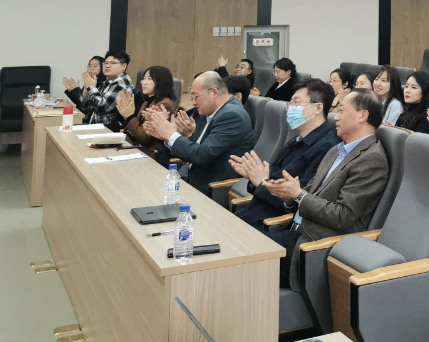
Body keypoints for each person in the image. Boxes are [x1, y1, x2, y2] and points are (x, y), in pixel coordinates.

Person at [259, 88, 388, 291]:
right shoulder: (336, 149)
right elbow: (308, 192)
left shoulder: (371, 159)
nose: (335, 116)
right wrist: (288, 196)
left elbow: (343, 215)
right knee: (239, 238)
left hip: (312, 247)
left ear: (362, 115)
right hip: (293, 232)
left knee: (242, 253)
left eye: (342, 111)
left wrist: (298, 195)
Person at [231, 79, 342, 228]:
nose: (290, 108)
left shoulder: (328, 147)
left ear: (317, 108)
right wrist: (253, 174)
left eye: (296, 102)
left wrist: (261, 183)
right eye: (290, 103)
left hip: (270, 224)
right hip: (253, 212)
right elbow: (274, 174)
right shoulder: (297, 139)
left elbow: (296, 199)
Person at [143, 72, 254, 196]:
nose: (193, 103)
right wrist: (166, 136)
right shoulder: (211, 111)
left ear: (214, 92)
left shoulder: (232, 116)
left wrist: (171, 135)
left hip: (210, 187)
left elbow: (201, 155)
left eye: (195, 97)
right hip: (189, 177)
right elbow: (195, 147)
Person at [118, 66, 177, 165]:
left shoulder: (163, 105)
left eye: (149, 79)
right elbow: (136, 132)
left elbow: (145, 138)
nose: (144, 83)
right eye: (144, 79)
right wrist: (126, 115)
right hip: (137, 147)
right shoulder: (148, 101)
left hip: (150, 154)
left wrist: (129, 117)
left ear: (161, 82)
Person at [73, 50, 135, 131]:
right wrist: (86, 87)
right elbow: (85, 107)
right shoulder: (107, 81)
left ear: (123, 66)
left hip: (108, 130)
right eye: (105, 63)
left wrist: (91, 87)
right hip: (95, 126)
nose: (107, 66)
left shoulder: (121, 82)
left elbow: (102, 107)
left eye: (112, 63)